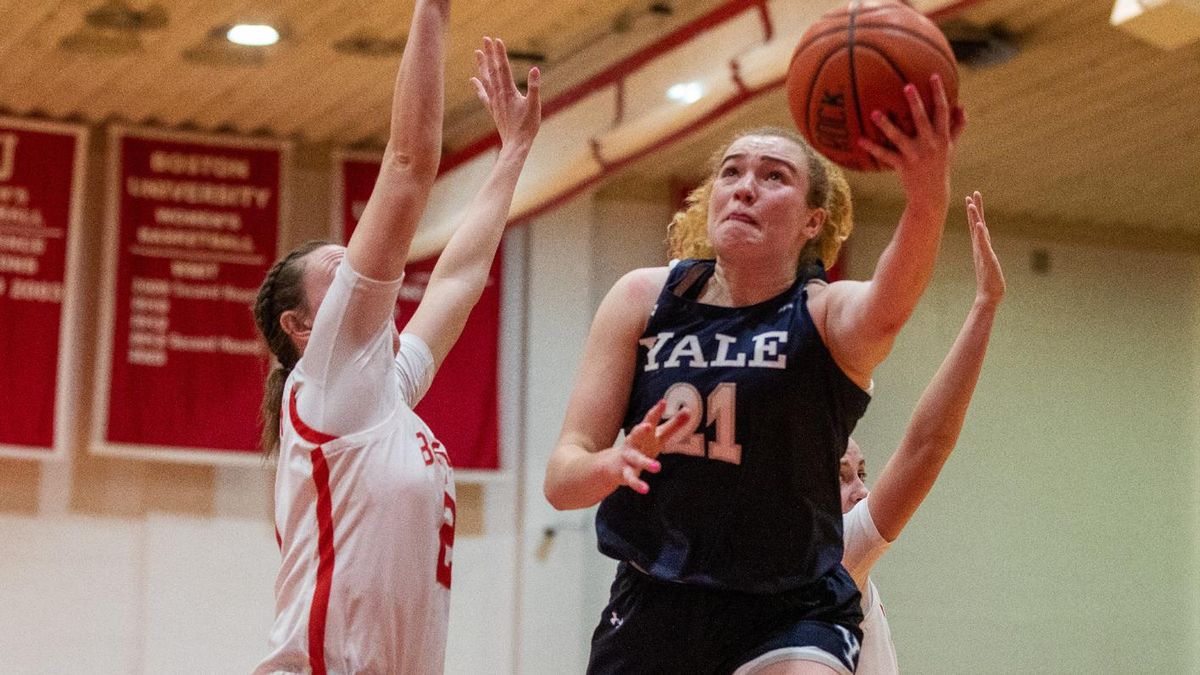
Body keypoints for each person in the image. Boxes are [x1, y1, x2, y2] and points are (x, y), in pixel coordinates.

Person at [543, 74, 963, 675]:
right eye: (732, 173)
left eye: (774, 177)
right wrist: (610, 465)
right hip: (655, 598)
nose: (745, 188)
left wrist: (926, 193)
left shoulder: (823, 315)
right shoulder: (643, 298)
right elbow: (562, 478)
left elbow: (892, 299)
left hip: (787, 604)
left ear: (812, 222)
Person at [250, 20, 541, 674]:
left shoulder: (377, 396)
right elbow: (408, 164)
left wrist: (515, 150)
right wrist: (432, 9)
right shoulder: (329, 381)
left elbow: (460, 281)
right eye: (340, 268)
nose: (360, 267)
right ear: (302, 327)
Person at [841, 191, 1004, 674]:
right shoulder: (832, 554)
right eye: (843, 475)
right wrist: (985, 307)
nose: (862, 488)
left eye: (861, 471)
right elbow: (927, 444)